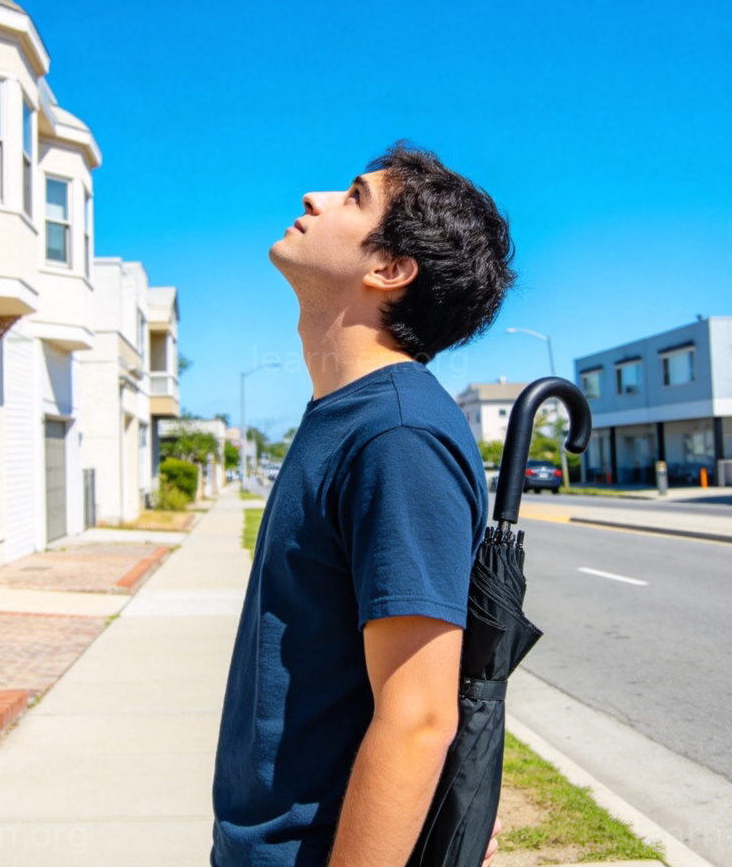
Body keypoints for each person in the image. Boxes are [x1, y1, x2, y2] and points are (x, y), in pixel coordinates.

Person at [211, 142, 516, 867]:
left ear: (390, 268)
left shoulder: (397, 433)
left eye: (353, 197)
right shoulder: (344, 416)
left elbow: (419, 716)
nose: (314, 198)